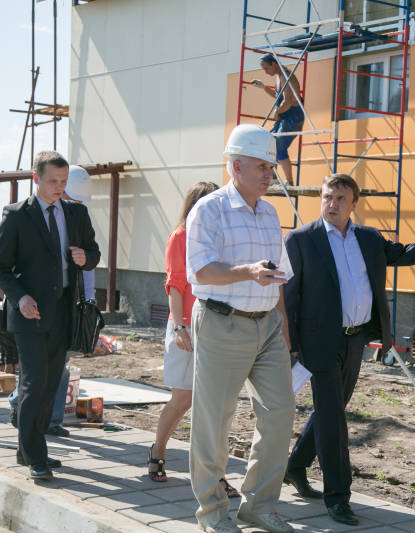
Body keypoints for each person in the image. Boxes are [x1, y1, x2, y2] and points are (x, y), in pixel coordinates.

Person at [282, 173, 415, 525]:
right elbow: (289, 297)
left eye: (340, 198)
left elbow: (405, 254)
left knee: (332, 408)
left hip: (354, 339)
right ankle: (338, 497)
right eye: (327, 197)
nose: (332, 204)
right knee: (333, 419)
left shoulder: (368, 238)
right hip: (318, 343)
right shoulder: (300, 239)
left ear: (353, 204)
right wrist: (290, 345)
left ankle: (295, 466)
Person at [186, 124, 295, 533]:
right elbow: (201, 270)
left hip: (267, 326)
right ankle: (212, 513)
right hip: (222, 323)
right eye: (262, 166)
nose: (270, 174)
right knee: (215, 420)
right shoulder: (209, 210)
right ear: (235, 166)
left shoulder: (269, 213)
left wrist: (282, 325)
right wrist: (247, 272)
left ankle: (258, 506)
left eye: (271, 167)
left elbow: (277, 274)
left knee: (280, 413)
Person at [0, 151, 100, 482]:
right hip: (29, 313)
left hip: (64, 313)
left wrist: (85, 257)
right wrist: (20, 297)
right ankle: (36, 455)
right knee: (33, 382)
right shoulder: (16, 215)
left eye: (63, 181)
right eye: (53, 180)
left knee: (51, 384)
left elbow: (94, 253)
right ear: (36, 178)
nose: (59, 187)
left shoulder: (76, 213)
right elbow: (0, 268)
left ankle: (28, 449)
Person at [147, 180, 239, 497]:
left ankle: (214, 474)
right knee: (182, 399)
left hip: (217, 328)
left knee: (214, 407)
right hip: (186, 327)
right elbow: (175, 285)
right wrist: (178, 327)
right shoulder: (181, 237)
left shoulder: (221, 239)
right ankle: (158, 450)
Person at [251, 54, 304, 186]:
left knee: (279, 147)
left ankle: (289, 182)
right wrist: (263, 87)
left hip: (293, 117)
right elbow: (278, 96)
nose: (265, 72)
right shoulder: (278, 77)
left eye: (266, 68)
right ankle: (273, 178)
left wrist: (277, 111)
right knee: (270, 143)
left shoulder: (286, 76)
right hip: (285, 117)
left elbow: (288, 101)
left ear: (274, 64)